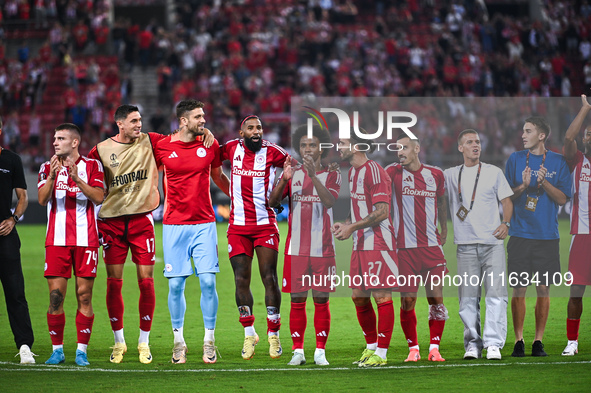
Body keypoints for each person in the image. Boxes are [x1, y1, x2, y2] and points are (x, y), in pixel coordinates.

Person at [88, 104, 212, 364]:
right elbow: (87, 175)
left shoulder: (152, 141)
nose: (139, 125)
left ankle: (144, 342)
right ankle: (119, 341)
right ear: (119, 124)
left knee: (146, 282)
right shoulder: (100, 150)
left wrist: (204, 131)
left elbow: (183, 135)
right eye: (133, 121)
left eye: (140, 120)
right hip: (111, 223)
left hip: (142, 221)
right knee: (114, 283)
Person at [153, 100, 229, 364]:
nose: (203, 120)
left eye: (204, 116)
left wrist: (240, 201)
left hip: (205, 223)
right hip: (174, 225)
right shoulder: (161, 145)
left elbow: (219, 177)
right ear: (183, 121)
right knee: (175, 286)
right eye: (198, 116)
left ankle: (209, 340)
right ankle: (178, 342)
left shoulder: (210, 145)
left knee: (208, 282)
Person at [269, 125, 341, 366]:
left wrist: (312, 175)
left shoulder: (333, 173)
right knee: (297, 300)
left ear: (322, 147)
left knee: (321, 300)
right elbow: (273, 202)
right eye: (303, 145)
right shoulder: (292, 172)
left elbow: (330, 201)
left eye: (312, 145)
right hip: (295, 250)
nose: (307, 149)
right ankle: (298, 351)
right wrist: (284, 180)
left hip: (323, 249)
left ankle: (320, 351)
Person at [220, 115, 288, 360]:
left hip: (265, 225)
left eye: (259, 127)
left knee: (269, 277)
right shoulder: (229, 149)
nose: (256, 131)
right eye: (251, 128)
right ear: (242, 133)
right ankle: (249, 333)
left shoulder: (272, 151)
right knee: (241, 280)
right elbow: (210, 163)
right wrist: (230, 190)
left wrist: (280, 192)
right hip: (237, 227)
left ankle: (273, 334)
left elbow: (296, 169)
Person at [37, 123, 104, 366]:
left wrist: (77, 178)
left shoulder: (93, 166)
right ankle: (57, 350)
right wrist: (54, 176)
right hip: (56, 241)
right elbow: (43, 200)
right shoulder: (46, 167)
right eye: (54, 138)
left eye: (61, 138)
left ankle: (81, 351)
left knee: (84, 296)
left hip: (87, 241)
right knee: (56, 297)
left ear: (74, 142)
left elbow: (98, 197)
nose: (55, 142)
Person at [444, 129, 513, 360]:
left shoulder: (493, 172)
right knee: (467, 298)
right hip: (464, 245)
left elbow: (506, 201)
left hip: (492, 243)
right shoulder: (451, 174)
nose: (476, 145)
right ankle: (473, 343)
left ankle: (493, 344)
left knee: (496, 294)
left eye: (478, 141)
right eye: (470, 142)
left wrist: (506, 223)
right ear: (460, 148)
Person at [505, 117, 571, 357]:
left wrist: (545, 183)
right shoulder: (514, 160)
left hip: (547, 237)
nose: (523, 135)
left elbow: (563, 198)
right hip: (520, 235)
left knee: (543, 289)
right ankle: (519, 340)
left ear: (541, 136)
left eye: (528, 131)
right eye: (523, 131)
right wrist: (523, 186)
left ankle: (538, 341)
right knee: (519, 289)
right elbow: (506, 196)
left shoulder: (558, 161)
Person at [332, 131, 398, 367]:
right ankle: (371, 347)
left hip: (379, 242)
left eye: (342, 143)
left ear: (357, 146)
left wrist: (353, 228)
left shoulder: (374, 171)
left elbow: (382, 211)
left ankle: (381, 352)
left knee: (381, 295)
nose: (337, 147)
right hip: (360, 243)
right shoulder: (352, 172)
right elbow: (360, 207)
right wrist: (347, 225)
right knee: (358, 297)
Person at [385, 135, 449, 362]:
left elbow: (441, 201)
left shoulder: (435, 175)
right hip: (404, 250)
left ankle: (434, 347)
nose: (400, 152)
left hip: (432, 249)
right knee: (407, 300)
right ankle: (413, 348)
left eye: (404, 148)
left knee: (436, 299)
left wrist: (444, 227)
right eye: (397, 149)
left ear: (417, 149)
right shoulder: (392, 173)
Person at [0, 115, 35, 364]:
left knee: (15, 293)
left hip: (5, 235)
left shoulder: (11, 160)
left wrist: (14, 219)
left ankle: (24, 346)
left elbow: (22, 196)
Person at [561, 94, 591, 356]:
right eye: (589, 133)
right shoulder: (577, 160)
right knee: (576, 291)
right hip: (581, 235)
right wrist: (585, 109)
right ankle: (572, 341)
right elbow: (568, 139)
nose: (590, 136)